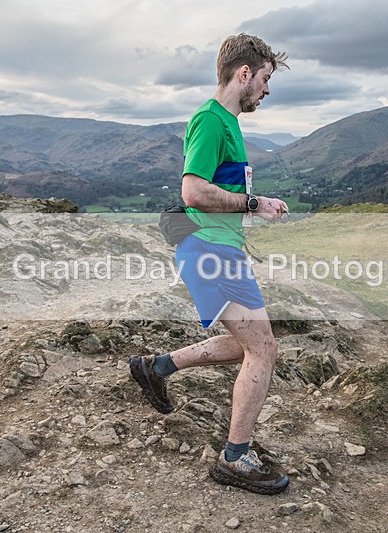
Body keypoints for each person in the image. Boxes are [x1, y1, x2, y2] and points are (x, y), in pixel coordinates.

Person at [130, 33, 290, 495]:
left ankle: (156, 367)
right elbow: (193, 191)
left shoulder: (228, 123)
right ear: (244, 74)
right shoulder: (211, 120)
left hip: (218, 248)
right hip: (209, 248)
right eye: (263, 79)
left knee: (248, 343)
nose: (265, 89)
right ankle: (235, 458)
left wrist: (251, 210)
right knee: (264, 349)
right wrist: (254, 203)